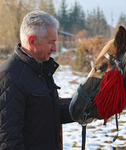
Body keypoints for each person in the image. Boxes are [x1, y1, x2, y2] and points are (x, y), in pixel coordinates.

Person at [0, 10, 74, 150]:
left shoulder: (39, 70)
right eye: (51, 42)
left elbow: (50, 112)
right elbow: (8, 142)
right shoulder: (9, 78)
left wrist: (88, 107)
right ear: (32, 41)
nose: (54, 48)